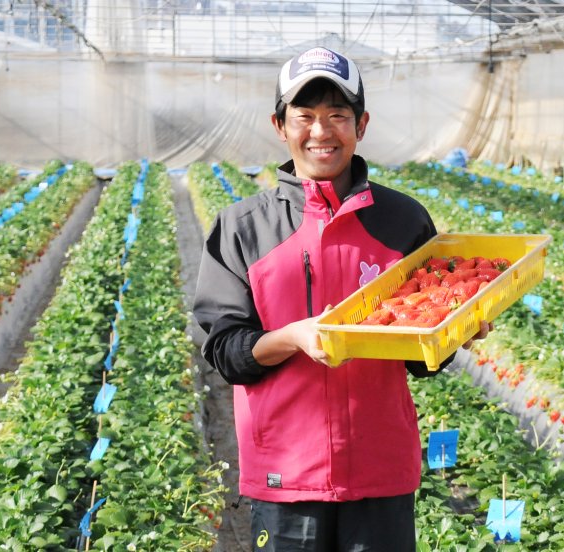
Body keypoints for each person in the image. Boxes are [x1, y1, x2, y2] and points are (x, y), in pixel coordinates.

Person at [193, 46, 488, 551]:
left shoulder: (403, 222)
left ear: (362, 124)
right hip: (285, 474)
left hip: (378, 469)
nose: (321, 131)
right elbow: (224, 351)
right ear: (281, 125)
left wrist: (456, 329)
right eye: (304, 116)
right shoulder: (243, 228)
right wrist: (289, 337)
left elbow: (421, 362)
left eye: (338, 116)